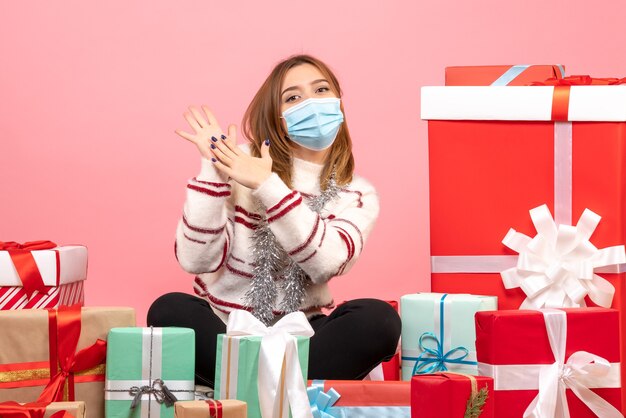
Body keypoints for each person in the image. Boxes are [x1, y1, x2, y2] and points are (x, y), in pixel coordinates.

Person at [147, 54, 401, 387]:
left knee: (379, 320)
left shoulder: (357, 193)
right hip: (226, 330)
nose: (310, 103)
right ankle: (284, 389)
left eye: (321, 89)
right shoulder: (238, 160)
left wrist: (267, 186)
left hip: (304, 335)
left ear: (339, 103)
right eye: (293, 97)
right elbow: (195, 260)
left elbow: (326, 263)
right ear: (279, 118)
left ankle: (247, 385)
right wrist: (212, 170)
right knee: (168, 310)